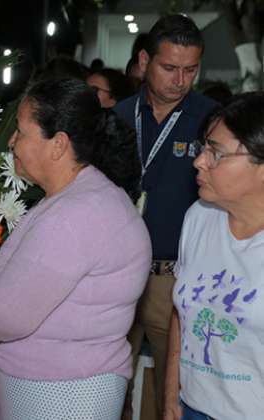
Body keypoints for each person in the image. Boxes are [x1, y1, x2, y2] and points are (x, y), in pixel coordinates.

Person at [0, 78, 152, 419]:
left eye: (21, 132)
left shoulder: (75, 215)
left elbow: (2, 316)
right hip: (56, 384)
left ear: (58, 144)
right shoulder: (83, 197)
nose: (11, 142)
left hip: (63, 391)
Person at [112, 14, 219, 419]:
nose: (180, 80)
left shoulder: (212, 121)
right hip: (116, 272)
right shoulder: (119, 116)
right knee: (111, 376)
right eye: (170, 67)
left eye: (190, 69)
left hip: (173, 277)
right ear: (144, 61)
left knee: (171, 386)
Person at [164, 93, 264, 420]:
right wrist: (170, 397)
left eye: (216, 153)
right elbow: (182, 313)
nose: (199, 161)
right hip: (192, 407)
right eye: (204, 147)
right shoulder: (199, 217)